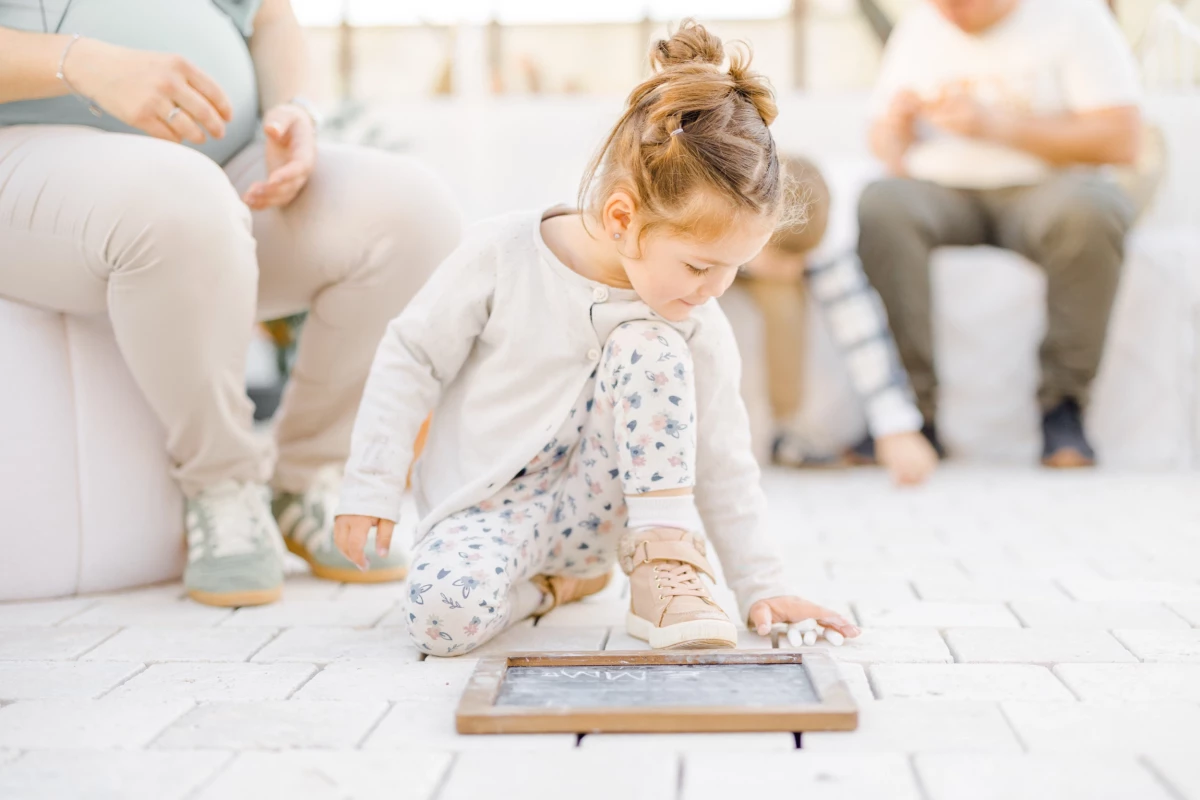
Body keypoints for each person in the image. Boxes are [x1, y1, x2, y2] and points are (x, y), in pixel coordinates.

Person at [332, 22, 862, 656]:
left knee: (653, 344)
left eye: (734, 270)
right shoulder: (502, 254)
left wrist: (761, 586)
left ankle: (664, 561)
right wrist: (371, 483)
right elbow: (412, 356)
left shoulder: (690, 317)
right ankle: (560, 589)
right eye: (700, 265)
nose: (716, 289)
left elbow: (724, 458)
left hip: (602, 518)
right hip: (485, 511)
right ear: (621, 217)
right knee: (441, 619)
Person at [0, 0, 462, 607]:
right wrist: (81, 64)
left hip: (224, 162)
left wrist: (292, 108)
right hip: (27, 151)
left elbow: (268, 16)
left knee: (413, 214)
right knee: (182, 202)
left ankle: (309, 478)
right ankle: (222, 484)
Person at [857, 0, 1141, 467]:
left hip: (1046, 189)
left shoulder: (1076, 17)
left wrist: (997, 126)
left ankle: (1063, 408)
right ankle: (909, 415)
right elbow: (882, 144)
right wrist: (897, 129)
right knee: (881, 203)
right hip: (941, 188)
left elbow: (1123, 139)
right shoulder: (921, 27)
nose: (949, 11)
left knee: (1094, 208)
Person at [738, 155, 939, 486]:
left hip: (764, 271)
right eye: (785, 258)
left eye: (804, 258)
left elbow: (861, 332)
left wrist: (895, 427)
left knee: (784, 302)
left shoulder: (824, 245)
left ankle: (787, 432)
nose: (796, 269)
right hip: (725, 253)